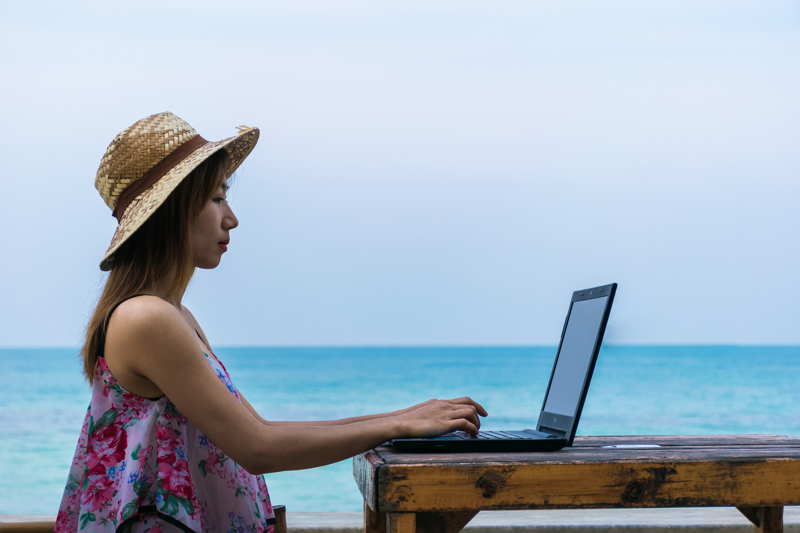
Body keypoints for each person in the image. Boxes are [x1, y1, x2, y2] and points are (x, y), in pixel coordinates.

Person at [55, 111, 487, 533]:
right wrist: (398, 426)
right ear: (173, 210)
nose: (231, 218)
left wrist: (406, 416)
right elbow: (258, 449)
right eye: (217, 198)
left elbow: (260, 430)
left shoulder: (172, 314)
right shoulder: (147, 318)